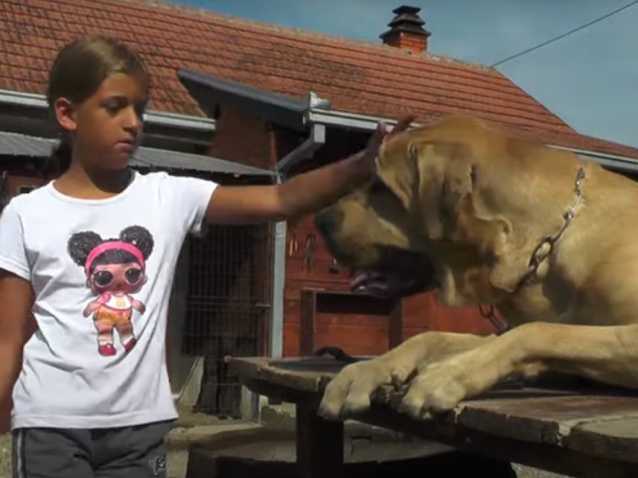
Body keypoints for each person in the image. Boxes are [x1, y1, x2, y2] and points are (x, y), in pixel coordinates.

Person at [0, 35, 411, 477]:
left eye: (140, 109)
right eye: (114, 107)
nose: (133, 122)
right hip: (50, 427)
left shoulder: (166, 197)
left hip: (139, 431)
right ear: (67, 114)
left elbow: (281, 199)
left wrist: (362, 164)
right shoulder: (26, 214)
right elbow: (8, 337)